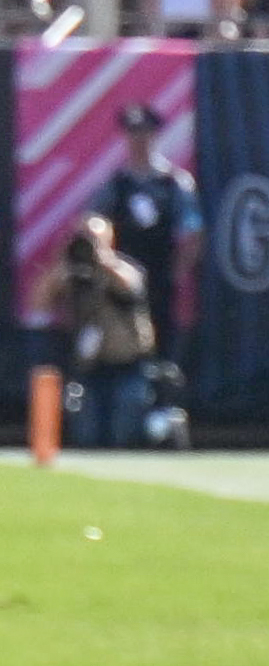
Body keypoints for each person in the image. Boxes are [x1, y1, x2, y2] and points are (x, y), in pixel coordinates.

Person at [89, 103, 204, 366]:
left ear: (154, 136)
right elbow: (92, 225)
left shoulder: (175, 183)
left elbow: (194, 232)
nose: (138, 140)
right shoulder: (115, 184)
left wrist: (177, 271)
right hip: (120, 282)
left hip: (160, 279)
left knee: (161, 342)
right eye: (132, 133)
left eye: (144, 133)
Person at [34, 214, 156, 449]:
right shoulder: (74, 274)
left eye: (94, 239)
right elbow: (39, 302)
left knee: (123, 435)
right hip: (91, 369)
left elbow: (130, 286)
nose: (88, 242)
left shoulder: (126, 269)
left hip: (127, 365)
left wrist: (102, 259)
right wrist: (65, 262)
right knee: (87, 436)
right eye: (85, 238)